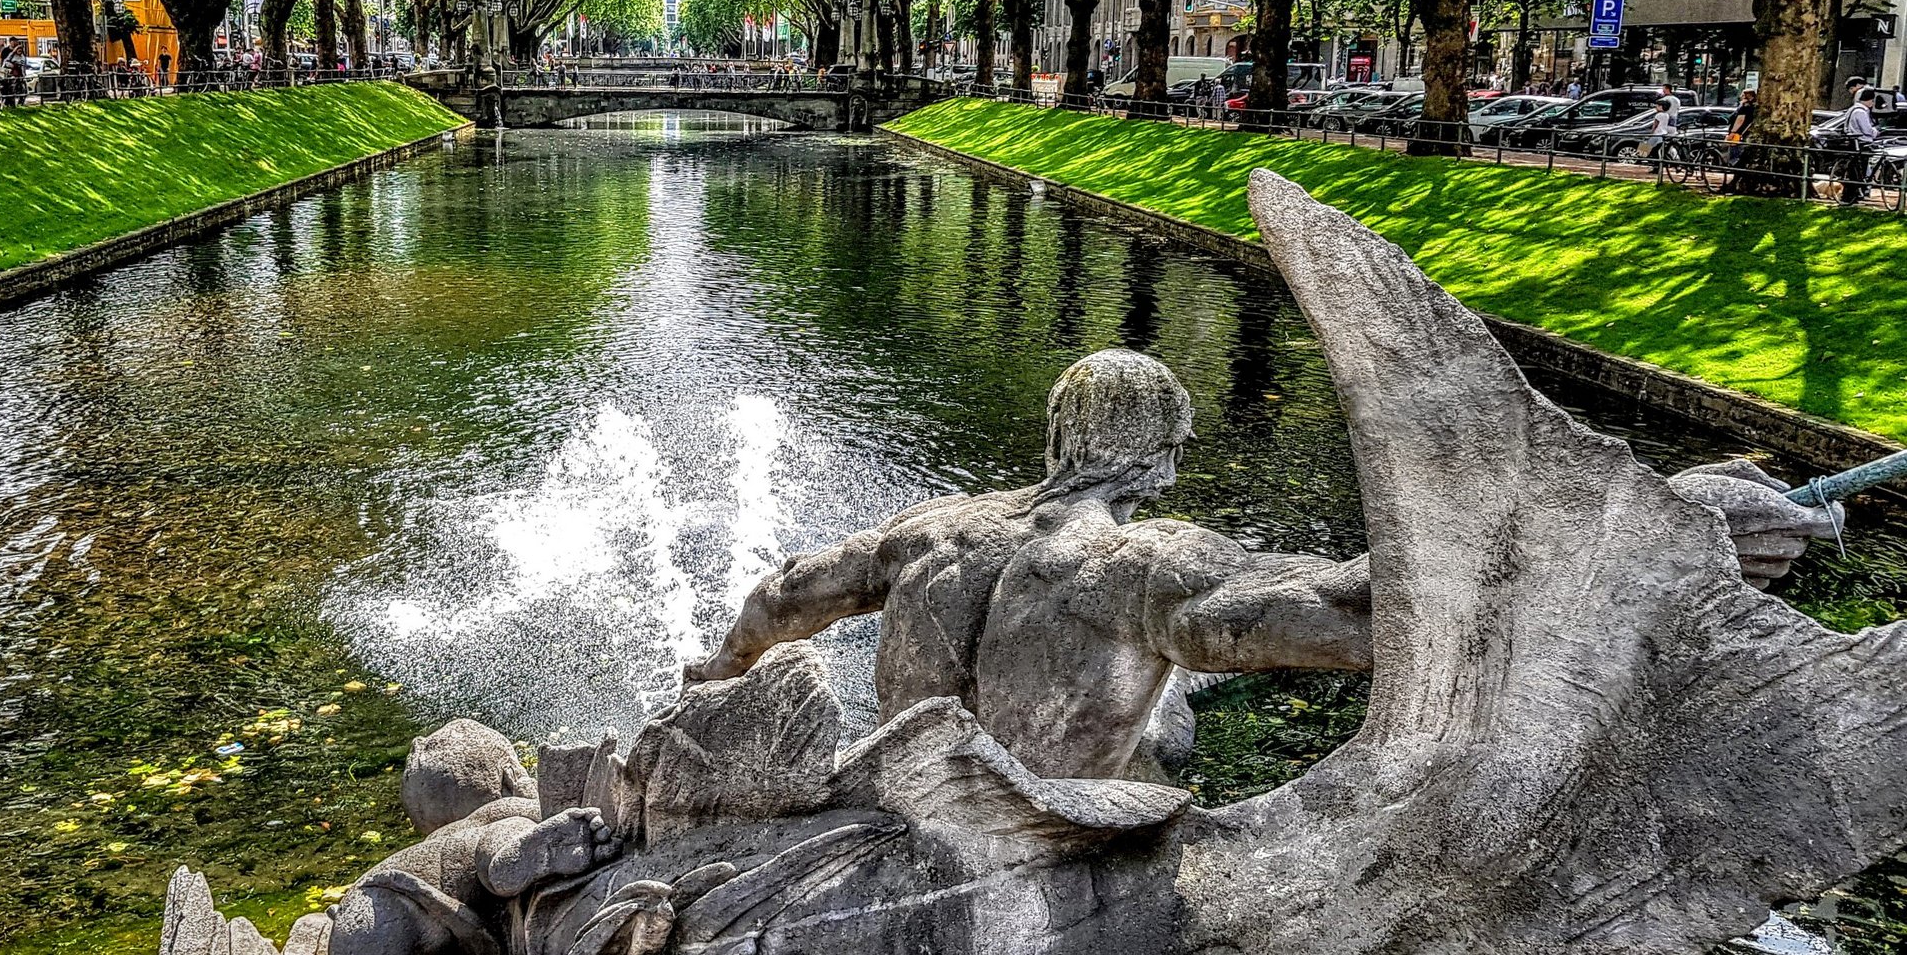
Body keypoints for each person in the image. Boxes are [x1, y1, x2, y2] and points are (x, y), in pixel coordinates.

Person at [687, 349, 1842, 781]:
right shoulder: (1143, 562)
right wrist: (1638, 534)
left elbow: (777, 597)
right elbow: (1359, 611)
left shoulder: (928, 530)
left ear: (1053, 438)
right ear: (1167, 453)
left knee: (1173, 690)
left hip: (893, 805)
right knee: (1178, 706)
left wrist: (721, 674)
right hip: (1053, 842)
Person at [1839, 87, 1882, 205]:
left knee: (1855, 169)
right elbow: (1866, 129)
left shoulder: (1852, 109)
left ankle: (1853, 194)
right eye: (1872, 101)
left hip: (1854, 141)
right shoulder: (1861, 112)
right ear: (1869, 100)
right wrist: (1875, 132)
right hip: (1861, 142)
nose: (1873, 104)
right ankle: (1852, 194)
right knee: (1859, 169)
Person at [1640, 83, 1681, 168]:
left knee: (1651, 145)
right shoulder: (1677, 100)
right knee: (1669, 146)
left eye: (1663, 89)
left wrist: (1651, 132)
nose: (1662, 91)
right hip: (1673, 126)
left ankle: (1642, 157)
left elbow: (1655, 124)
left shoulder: (1664, 101)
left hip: (1661, 130)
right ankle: (1676, 161)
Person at [1723, 87, 1758, 185]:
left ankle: (1736, 177)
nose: (1740, 97)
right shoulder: (1753, 107)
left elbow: (1740, 120)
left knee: (1735, 157)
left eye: (1742, 95)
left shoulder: (1744, 107)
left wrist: (1732, 133)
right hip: (1745, 134)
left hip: (1738, 135)